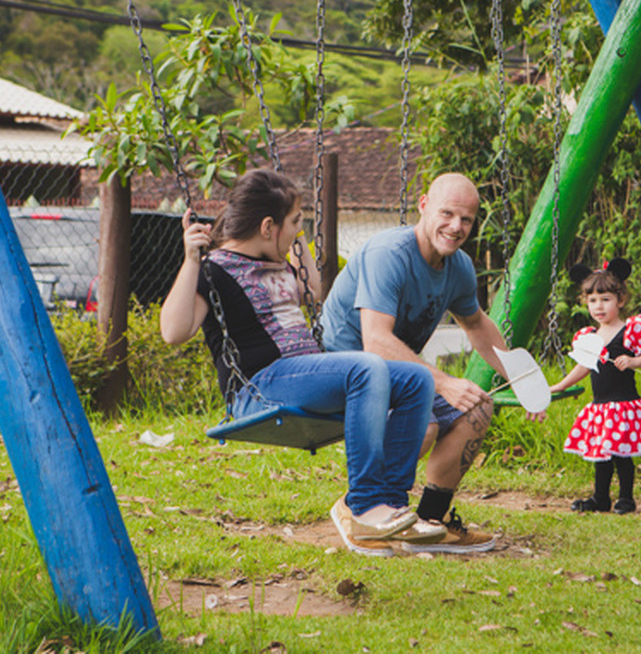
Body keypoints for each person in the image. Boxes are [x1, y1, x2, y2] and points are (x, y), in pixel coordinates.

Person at [160, 168, 441, 557]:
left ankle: (390, 506)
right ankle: (364, 505)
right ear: (267, 226)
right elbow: (173, 332)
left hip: (302, 373)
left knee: (415, 379)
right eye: (296, 223)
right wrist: (191, 260)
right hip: (260, 387)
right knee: (367, 367)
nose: (299, 230)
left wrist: (296, 237)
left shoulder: (276, 256)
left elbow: (314, 288)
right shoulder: (215, 269)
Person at [321, 173, 510, 553]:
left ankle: (432, 523)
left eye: (467, 220)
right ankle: (361, 506)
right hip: (344, 372)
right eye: (447, 214)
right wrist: (442, 382)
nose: (456, 227)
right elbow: (375, 340)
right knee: (425, 422)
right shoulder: (389, 254)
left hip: (397, 376)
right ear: (423, 205)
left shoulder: (457, 267)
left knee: (477, 408)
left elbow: (476, 323)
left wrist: (521, 376)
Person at [547, 258, 641, 514]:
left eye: (605, 299)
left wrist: (634, 360)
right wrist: (560, 385)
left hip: (624, 405)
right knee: (600, 455)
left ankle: (626, 498)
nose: (598, 306)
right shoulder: (589, 337)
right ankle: (600, 498)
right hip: (601, 408)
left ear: (620, 300)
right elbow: (583, 367)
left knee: (622, 455)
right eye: (592, 300)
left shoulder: (630, 331)